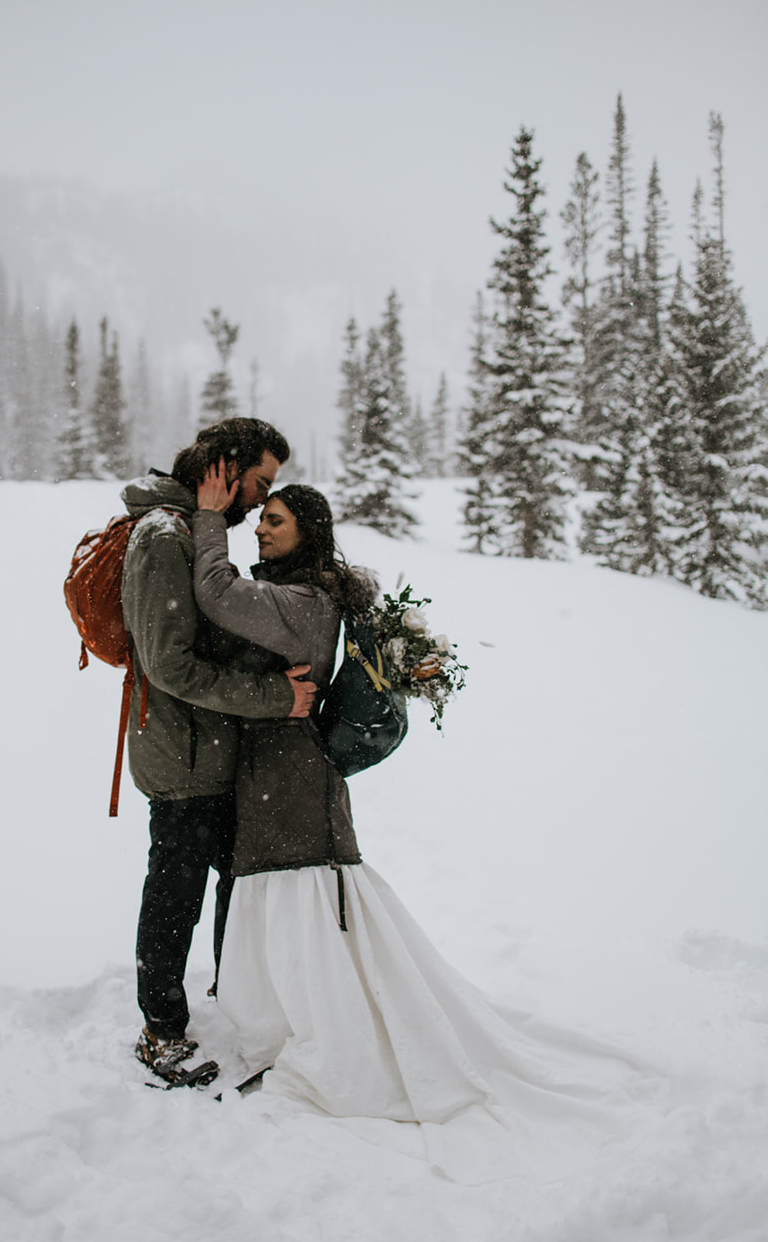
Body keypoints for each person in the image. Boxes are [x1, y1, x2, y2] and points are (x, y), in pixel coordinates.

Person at [192, 470, 650, 1179]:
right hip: (277, 769)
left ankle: (332, 1038)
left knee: (300, 896)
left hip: (290, 777)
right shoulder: (302, 593)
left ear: (307, 532)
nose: (261, 527)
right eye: (262, 520)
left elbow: (217, 596)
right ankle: (301, 1018)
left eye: (273, 521)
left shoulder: (302, 600)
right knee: (291, 895)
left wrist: (205, 520)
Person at [120, 418, 318, 1085]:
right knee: (176, 892)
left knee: (231, 883)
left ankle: (232, 1006)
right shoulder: (160, 539)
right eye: (258, 484)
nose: (258, 503)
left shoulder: (187, 533)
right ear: (223, 471)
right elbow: (169, 665)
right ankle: (160, 1032)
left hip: (212, 749)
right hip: (180, 755)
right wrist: (272, 697)